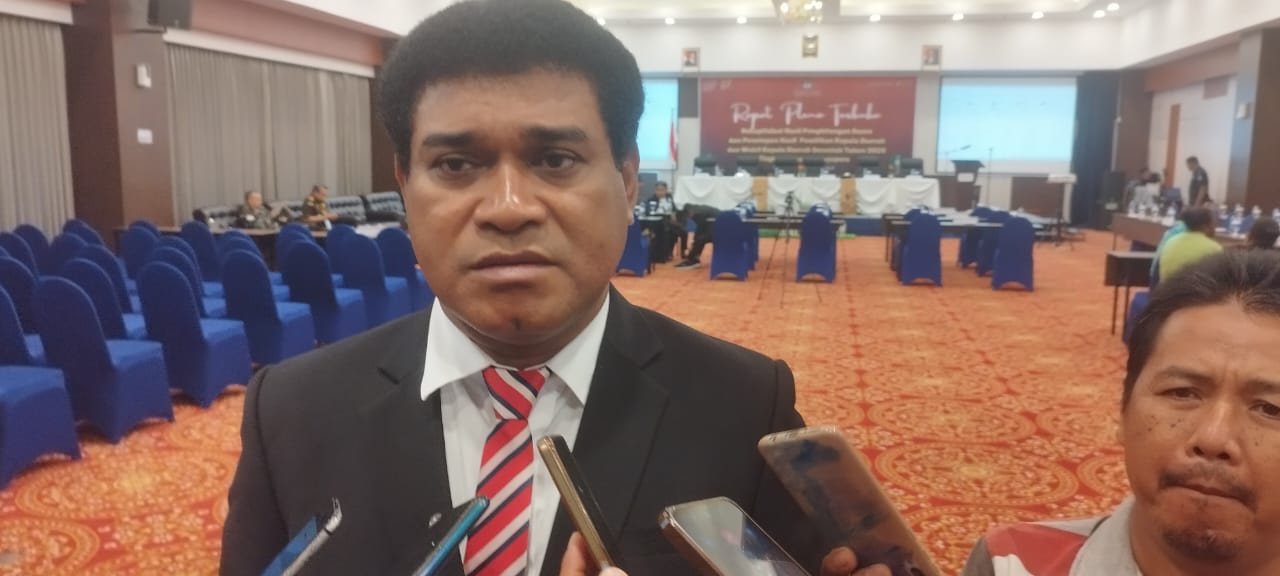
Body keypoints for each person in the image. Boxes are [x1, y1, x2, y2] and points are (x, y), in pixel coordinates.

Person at [220, 2, 869, 575]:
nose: (508, 208)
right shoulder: (291, 413)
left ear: (627, 181)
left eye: (555, 160)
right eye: (455, 164)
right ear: (405, 185)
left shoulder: (744, 407)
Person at [963, 249, 1280, 575]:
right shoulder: (1012, 564)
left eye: (1270, 409)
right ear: (1123, 411)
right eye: (1182, 392)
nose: (1212, 438)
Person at [1157, 207, 1223, 282]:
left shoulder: (1171, 241)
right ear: (1205, 227)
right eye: (1214, 224)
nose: (1215, 228)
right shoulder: (1214, 248)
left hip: (1166, 288)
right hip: (1192, 289)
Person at [673, 203, 720, 270]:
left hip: (720, 232)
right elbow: (700, 229)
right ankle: (693, 259)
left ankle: (693, 260)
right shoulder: (698, 211)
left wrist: (694, 241)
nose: (689, 218)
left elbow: (702, 229)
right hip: (715, 229)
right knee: (699, 239)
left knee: (700, 239)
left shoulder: (700, 213)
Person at [642, 182, 678, 262]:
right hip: (654, 223)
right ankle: (656, 255)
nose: (660, 192)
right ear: (655, 190)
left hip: (668, 223)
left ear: (666, 190)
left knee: (674, 232)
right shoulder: (650, 200)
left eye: (662, 190)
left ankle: (668, 253)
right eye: (658, 190)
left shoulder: (669, 199)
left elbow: (674, 211)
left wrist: (673, 216)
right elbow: (647, 212)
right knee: (659, 231)